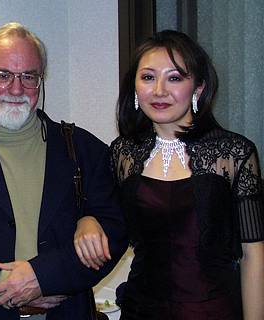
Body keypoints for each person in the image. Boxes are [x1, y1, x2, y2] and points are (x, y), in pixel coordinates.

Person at [0, 22, 128, 320]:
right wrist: (1, 281)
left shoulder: (82, 148)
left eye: (28, 76)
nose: (16, 89)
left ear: (41, 80)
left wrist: (42, 276)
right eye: (2, 75)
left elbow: (114, 232)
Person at [74, 30, 264, 319]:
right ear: (135, 88)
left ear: (198, 88)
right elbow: (105, 218)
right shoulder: (122, 153)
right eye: (148, 77)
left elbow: (254, 255)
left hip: (215, 311)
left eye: (174, 78)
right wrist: (86, 220)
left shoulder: (235, 153)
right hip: (141, 310)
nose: (159, 90)